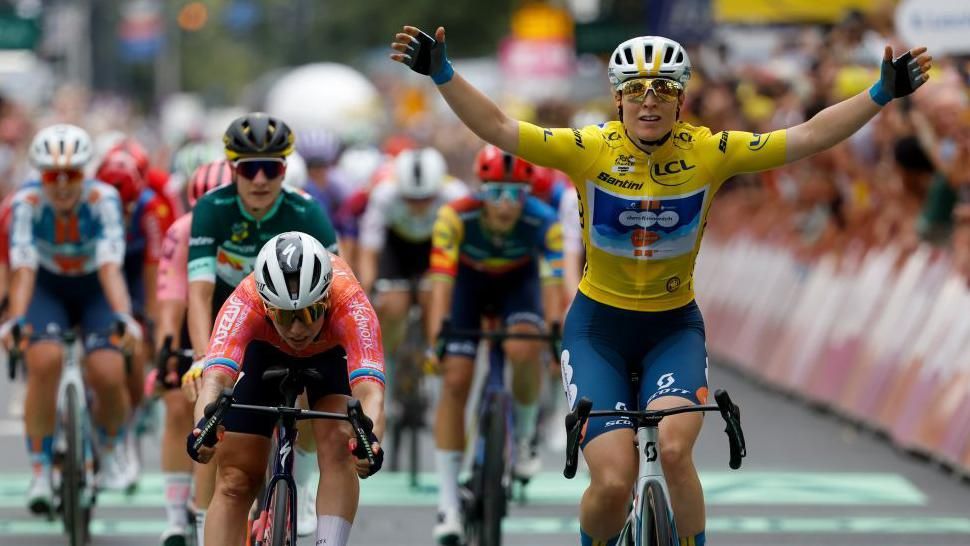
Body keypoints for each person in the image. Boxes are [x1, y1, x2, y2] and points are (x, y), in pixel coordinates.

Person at [392, 25, 932, 546]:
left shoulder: (710, 151)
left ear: (680, 101)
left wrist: (880, 93)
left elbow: (811, 135)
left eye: (663, 89)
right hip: (598, 328)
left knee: (675, 453)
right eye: (635, 90)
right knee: (610, 482)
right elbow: (501, 129)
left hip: (673, 327)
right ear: (618, 99)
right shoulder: (588, 148)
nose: (648, 101)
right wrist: (444, 76)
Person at [184, 112, 340, 541]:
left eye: (270, 168)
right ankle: (204, 519)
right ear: (232, 169)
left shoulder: (306, 210)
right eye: (247, 168)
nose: (258, 179)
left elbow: (339, 290)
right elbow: (198, 294)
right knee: (221, 436)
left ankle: (302, 484)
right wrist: (202, 358)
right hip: (234, 316)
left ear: (284, 170)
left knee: (312, 391)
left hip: (299, 320)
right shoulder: (212, 209)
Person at [186, 232, 385, 546]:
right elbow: (215, 381)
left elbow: (370, 392)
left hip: (329, 355)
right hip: (263, 351)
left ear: (325, 300)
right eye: (283, 315)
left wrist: (368, 442)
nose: (296, 329)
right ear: (266, 305)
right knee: (235, 478)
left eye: (308, 313)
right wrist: (204, 430)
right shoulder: (245, 299)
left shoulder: (351, 302)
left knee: (339, 445)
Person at [425, 144, 563, 543]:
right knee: (455, 378)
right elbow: (441, 282)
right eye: (495, 192)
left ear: (528, 193)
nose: (505, 205)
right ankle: (448, 504)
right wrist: (438, 335)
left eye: (515, 193)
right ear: (479, 188)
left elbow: (553, 285)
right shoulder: (454, 216)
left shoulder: (545, 221)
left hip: (518, 289)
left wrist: (552, 331)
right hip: (468, 287)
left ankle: (521, 436)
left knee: (524, 348)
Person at [0, 124, 140, 511]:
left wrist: (124, 317)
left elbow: (112, 266)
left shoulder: (104, 199)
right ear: (38, 175)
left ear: (86, 172)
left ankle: (111, 450)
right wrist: (13, 320)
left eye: (72, 174)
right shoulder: (24, 203)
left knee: (109, 372)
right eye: (51, 175)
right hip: (47, 287)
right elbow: (23, 268)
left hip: (95, 286)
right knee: (44, 362)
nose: (62, 185)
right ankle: (40, 471)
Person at [154, 159, 232, 546]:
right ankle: (176, 515)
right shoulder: (181, 232)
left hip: (241, 312)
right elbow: (172, 300)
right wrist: (169, 350)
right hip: (195, 314)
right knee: (176, 403)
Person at [357, 147, 467, 369]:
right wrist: (366, 291)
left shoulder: (455, 194)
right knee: (393, 304)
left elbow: (464, 250)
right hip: (397, 249)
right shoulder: (384, 194)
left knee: (434, 295)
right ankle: (386, 360)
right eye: (410, 199)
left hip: (435, 247)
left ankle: (433, 352)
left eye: (426, 199)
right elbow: (369, 249)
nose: (418, 206)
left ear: (438, 188)